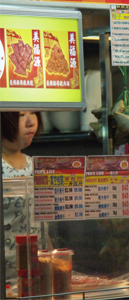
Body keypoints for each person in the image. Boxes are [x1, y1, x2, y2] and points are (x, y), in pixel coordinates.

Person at [1, 111, 43, 286]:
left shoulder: (36, 165)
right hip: (5, 281)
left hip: (36, 276)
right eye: (20, 115)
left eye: (33, 113)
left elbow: (43, 223)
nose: (30, 122)